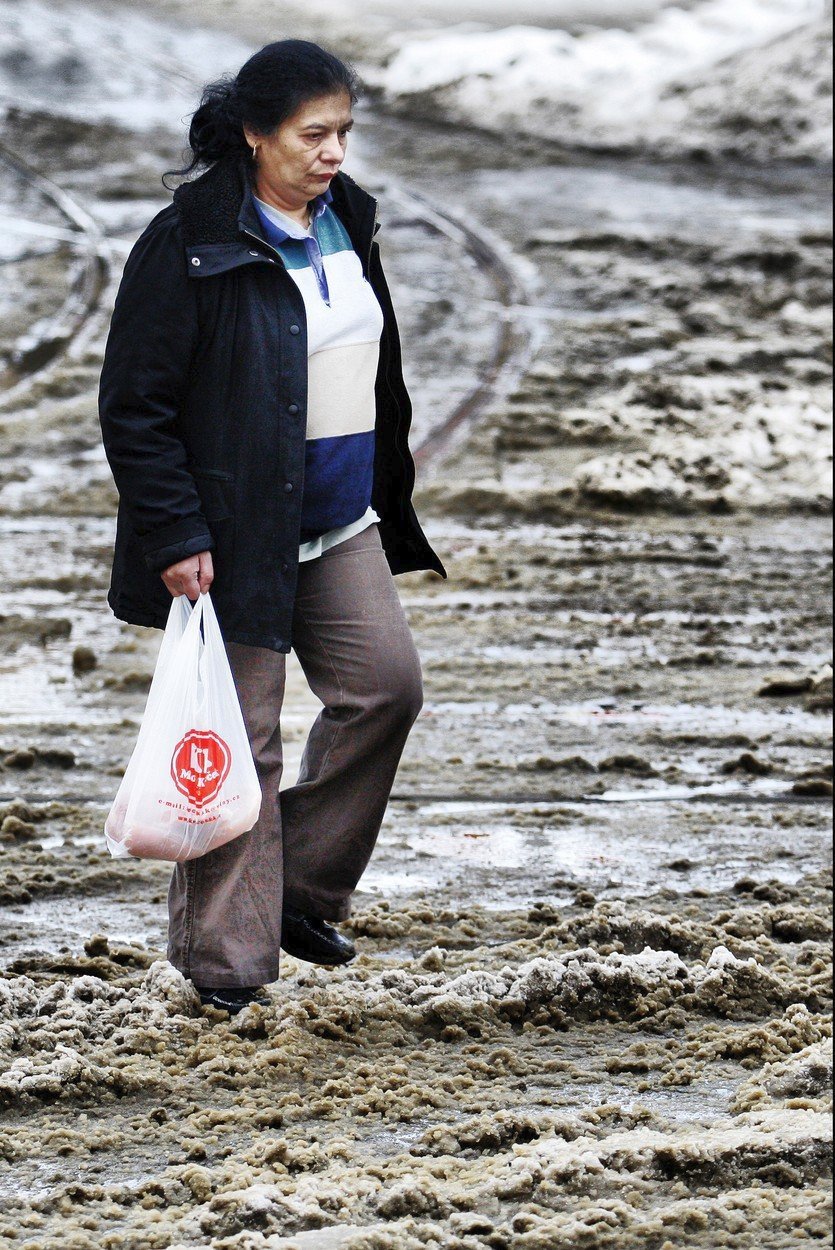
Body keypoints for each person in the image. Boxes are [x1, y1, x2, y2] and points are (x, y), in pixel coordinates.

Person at [98, 39, 446, 1015]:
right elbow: (135, 403)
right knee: (237, 744)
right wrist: (174, 532)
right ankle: (225, 963)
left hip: (337, 519)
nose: (334, 151)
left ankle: (297, 889)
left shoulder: (348, 220)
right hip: (232, 532)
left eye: (344, 131)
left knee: (385, 687)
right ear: (255, 134)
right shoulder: (188, 241)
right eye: (313, 133)